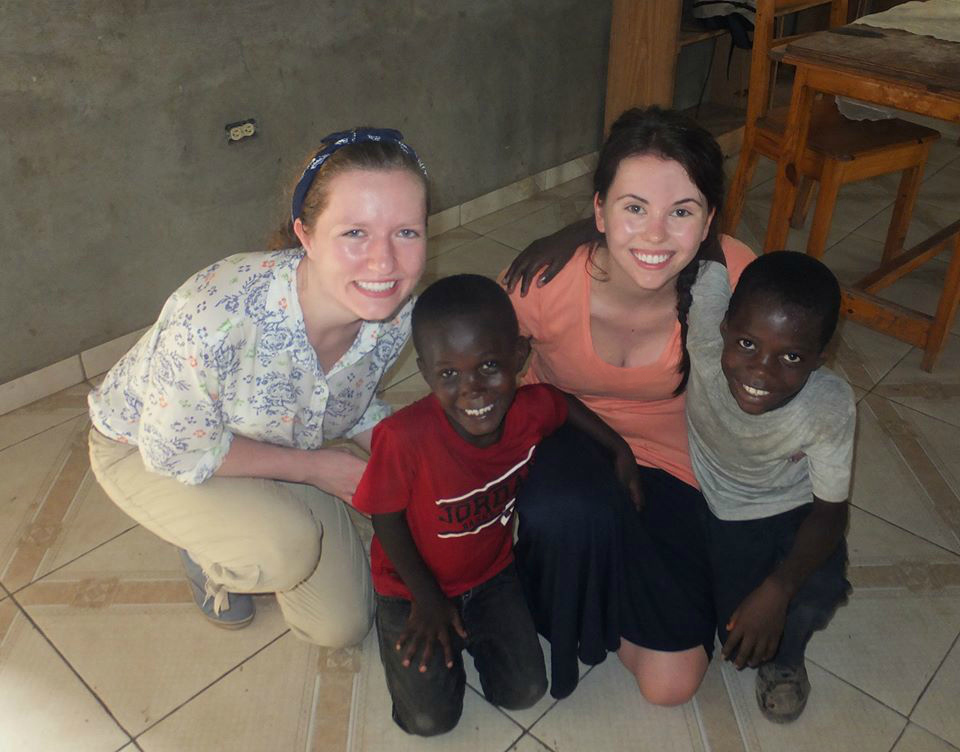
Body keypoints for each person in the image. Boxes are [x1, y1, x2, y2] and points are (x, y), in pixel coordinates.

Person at [87, 128, 429, 646]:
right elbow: (173, 448)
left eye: (406, 232)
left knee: (340, 627)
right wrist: (317, 469)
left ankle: (277, 503)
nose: (384, 262)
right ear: (306, 236)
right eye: (354, 233)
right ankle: (208, 552)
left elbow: (351, 405)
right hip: (146, 447)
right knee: (283, 549)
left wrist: (426, 463)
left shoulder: (396, 311)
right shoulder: (214, 317)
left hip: (269, 440)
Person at [501, 106, 756, 702]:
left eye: (682, 212)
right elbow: (474, 368)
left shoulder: (734, 279)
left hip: (675, 462)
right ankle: (564, 557)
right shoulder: (545, 279)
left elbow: (783, 372)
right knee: (569, 509)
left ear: (709, 219)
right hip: (565, 440)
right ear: (599, 211)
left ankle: (586, 576)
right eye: (633, 207)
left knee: (670, 686)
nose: (655, 235)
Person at [352, 274, 642, 736]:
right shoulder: (404, 439)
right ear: (425, 374)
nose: (473, 390)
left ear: (519, 358)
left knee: (524, 691)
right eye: (449, 374)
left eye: (489, 366)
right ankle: (420, 645)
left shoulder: (527, 412)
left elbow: (561, 405)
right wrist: (426, 598)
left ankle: (475, 633)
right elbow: (383, 515)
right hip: (410, 587)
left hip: (489, 576)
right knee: (429, 720)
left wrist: (619, 450)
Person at [685, 250, 853, 722]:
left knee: (815, 586)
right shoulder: (702, 337)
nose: (761, 371)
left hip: (793, 506)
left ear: (821, 358)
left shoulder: (829, 405)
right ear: (723, 327)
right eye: (747, 344)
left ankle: (788, 661)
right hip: (724, 511)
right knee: (734, 632)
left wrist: (781, 588)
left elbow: (830, 511)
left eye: (792, 356)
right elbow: (710, 245)